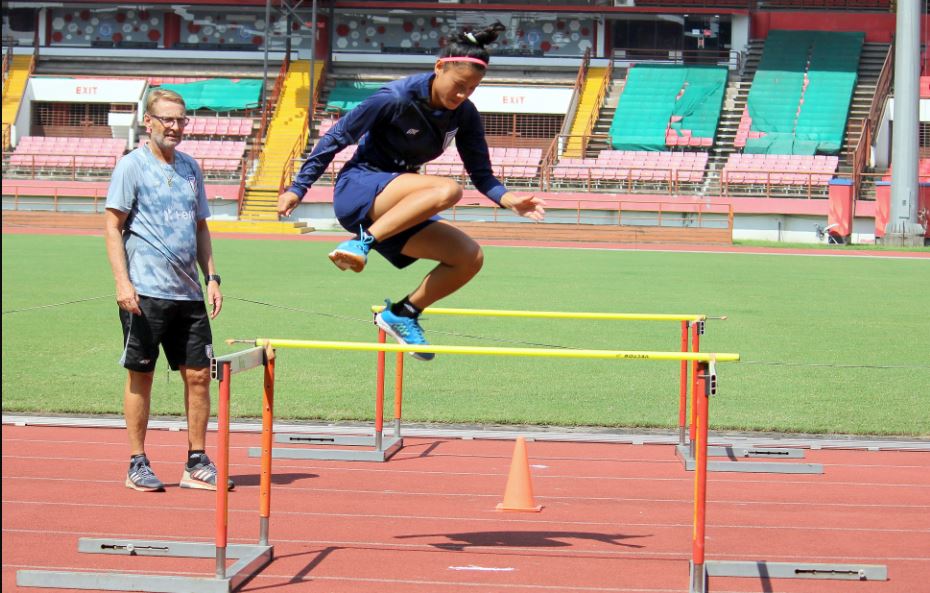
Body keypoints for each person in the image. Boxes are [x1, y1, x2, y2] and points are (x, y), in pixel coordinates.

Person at [277, 23, 545, 361]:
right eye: (459, 86)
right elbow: (335, 138)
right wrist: (298, 188)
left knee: (469, 257)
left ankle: (403, 313)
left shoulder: (464, 115)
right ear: (439, 68)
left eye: (472, 89)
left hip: (398, 207)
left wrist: (510, 201)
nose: (462, 96)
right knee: (447, 189)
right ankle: (360, 244)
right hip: (360, 187)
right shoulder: (395, 98)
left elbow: (482, 174)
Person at [104, 88, 233, 492]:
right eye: (169, 120)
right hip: (145, 293)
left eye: (182, 120)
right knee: (141, 375)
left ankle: (196, 461)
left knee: (199, 376)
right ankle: (136, 463)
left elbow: (200, 226)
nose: (177, 127)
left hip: (189, 294)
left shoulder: (191, 168)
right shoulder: (132, 167)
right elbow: (112, 225)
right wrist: (123, 283)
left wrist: (212, 277)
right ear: (150, 122)